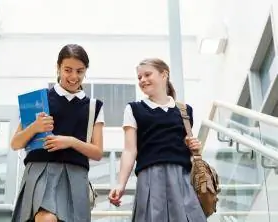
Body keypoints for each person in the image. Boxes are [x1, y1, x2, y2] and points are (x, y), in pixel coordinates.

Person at [11, 44, 104, 222]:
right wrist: (35, 127)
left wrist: (70, 141)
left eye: (80, 71)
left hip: (75, 174)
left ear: (86, 71)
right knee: (46, 218)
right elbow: (15, 143)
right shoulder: (39, 99)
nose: (74, 76)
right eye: (68, 70)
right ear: (58, 67)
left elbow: (98, 152)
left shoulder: (93, 106)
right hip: (40, 172)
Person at [108, 58, 207, 222]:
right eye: (139, 77)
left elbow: (187, 147)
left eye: (147, 74)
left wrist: (194, 147)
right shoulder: (134, 109)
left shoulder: (184, 110)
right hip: (150, 177)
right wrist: (120, 184)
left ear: (164, 75)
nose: (143, 80)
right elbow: (130, 150)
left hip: (182, 177)